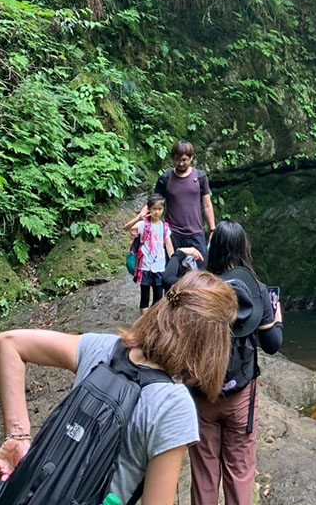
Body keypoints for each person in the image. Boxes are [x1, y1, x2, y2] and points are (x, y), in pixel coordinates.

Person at [0, 271, 237, 505]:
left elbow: (9, 343)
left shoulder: (101, 349)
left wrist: (17, 436)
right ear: (211, 341)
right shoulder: (174, 405)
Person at [184, 221, 283, 505]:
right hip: (240, 395)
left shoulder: (197, 288)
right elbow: (273, 345)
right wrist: (277, 316)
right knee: (239, 471)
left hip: (201, 393)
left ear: (212, 250)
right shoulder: (257, 290)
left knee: (204, 473)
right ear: (244, 249)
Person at [141, 140, 215, 268]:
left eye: (185, 160)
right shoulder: (165, 179)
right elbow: (153, 202)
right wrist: (142, 218)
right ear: (172, 159)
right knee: (172, 274)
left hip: (196, 234)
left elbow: (207, 205)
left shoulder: (200, 177)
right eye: (177, 160)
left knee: (200, 275)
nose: (181, 163)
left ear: (191, 158)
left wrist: (213, 229)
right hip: (172, 234)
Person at [124, 193, 174, 314]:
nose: (157, 212)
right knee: (144, 298)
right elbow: (126, 228)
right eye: (154, 209)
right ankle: (143, 323)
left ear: (163, 209)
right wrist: (139, 218)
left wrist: (173, 263)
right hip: (145, 267)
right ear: (149, 209)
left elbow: (168, 245)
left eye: (160, 209)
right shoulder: (143, 225)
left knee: (158, 298)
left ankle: (152, 320)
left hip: (159, 267)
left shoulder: (165, 228)